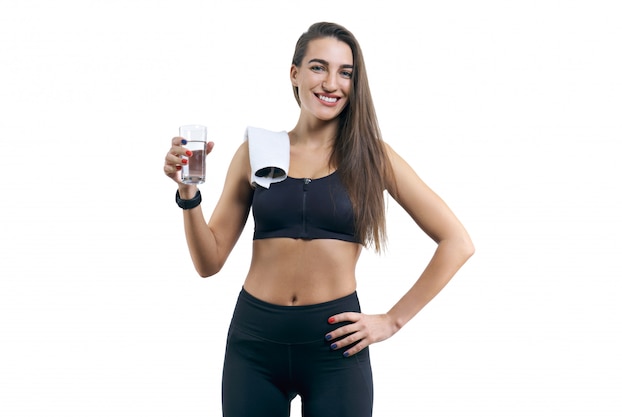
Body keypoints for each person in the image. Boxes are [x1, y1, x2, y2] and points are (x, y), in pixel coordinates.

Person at [163, 21, 474, 417]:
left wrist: (392, 321)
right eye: (318, 67)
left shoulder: (372, 157)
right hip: (255, 344)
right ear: (294, 73)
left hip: (336, 348)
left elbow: (457, 242)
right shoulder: (257, 151)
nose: (331, 83)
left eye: (345, 72)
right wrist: (188, 194)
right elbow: (209, 263)